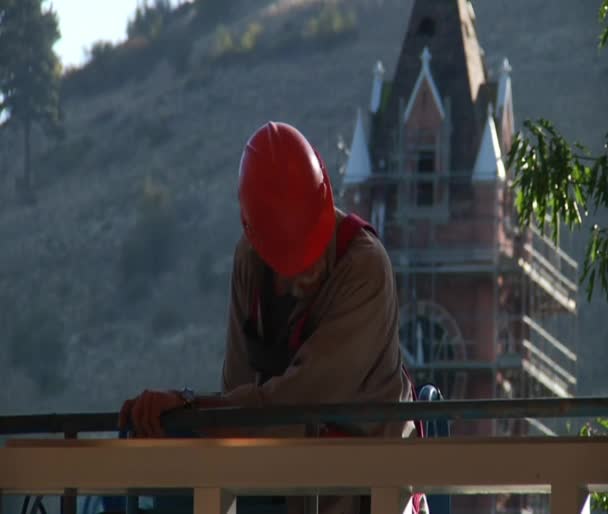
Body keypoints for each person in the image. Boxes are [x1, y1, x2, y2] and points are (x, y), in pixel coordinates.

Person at [119, 122, 417, 514]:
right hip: (277, 477)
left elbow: (304, 402)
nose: (305, 270)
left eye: (312, 249)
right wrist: (176, 416)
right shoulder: (250, 263)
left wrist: (190, 409)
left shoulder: (364, 268)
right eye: (290, 260)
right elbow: (239, 391)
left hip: (365, 487)